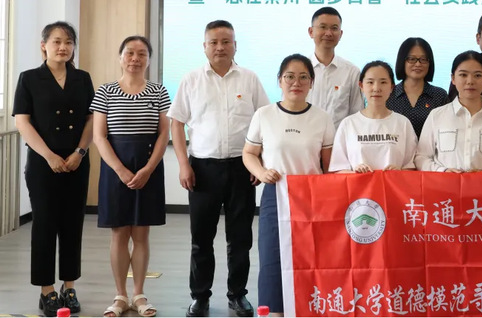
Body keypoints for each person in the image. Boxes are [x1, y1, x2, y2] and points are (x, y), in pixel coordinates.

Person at [168, 20, 270, 318]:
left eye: (226, 42)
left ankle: (238, 295)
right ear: (204, 47)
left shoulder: (249, 79)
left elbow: (263, 121)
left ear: (235, 45)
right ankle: (200, 296)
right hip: (202, 169)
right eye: (214, 42)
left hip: (242, 167)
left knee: (240, 238)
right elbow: (177, 123)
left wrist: (259, 162)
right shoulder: (191, 79)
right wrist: (183, 164)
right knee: (201, 239)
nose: (220, 47)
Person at [242, 54, 335, 317]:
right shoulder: (264, 115)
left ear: (311, 82)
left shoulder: (322, 118)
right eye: (290, 76)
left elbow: (329, 165)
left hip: (312, 198)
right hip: (277, 195)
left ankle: (307, 307)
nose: (297, 82)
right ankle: (274, 311)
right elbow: (248, 153)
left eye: (304, 77)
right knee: (272, 255)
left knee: (310, 256)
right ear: (280, 81)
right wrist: (262, 172)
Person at [12, 22, 94, 317]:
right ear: (43, 45)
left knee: (73, 225)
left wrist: (80, 152)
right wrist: (48, 156)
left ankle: (69, 287)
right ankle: (46, 290)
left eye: (69, 42)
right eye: (57, 41)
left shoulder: (82, 78)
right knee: (44, 225)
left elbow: (91, 119)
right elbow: (22, 121)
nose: (63, 47)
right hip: (42, 163)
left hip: (76, 162)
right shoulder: (29, 78)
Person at [91, 36, 170, 318]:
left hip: (148, 167)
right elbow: (100, 137)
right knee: (119, 233)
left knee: (141, 233)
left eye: (141, 54)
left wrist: (148, 169)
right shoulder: (106, 91)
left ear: (149, 59)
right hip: (116, 169)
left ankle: (138, 294)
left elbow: (164, 133)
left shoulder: (158, 91)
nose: (135, 59)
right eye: (129, 53)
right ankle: (120, 296)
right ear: (120, 57)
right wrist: (120, 170)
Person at [415, 50, 482, 172]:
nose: (470, 81)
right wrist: (443, 171)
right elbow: (421, 158)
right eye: (463, 75)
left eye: (477, 75)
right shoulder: (436, 115)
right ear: (453, 78)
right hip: (444, 183)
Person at [330, 61, 418, 172]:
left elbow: (412, 167)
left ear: (391, 87)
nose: (376, 88)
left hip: (393, 183)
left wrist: (399, 172)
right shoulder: (348, 124)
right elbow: (338, 169)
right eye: (370, 82)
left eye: (383, 82)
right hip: (358, 184)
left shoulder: (403, 123)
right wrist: (354, 172)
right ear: (361, 86)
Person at [307, 6, 362, 129]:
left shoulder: (352, 72)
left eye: (334, 28)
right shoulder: (299, 70)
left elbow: (356, 115)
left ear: (340, 34)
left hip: (339, 140)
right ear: (311, 31)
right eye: (323, 27)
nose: (328, 33)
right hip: (304, 139)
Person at [386, 38, 449, 138]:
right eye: (412, 59)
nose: (418, 64)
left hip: (432, 148)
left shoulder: (440, 95)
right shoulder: (389, 94)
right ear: (402, 61)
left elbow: (446, 130)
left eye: (423, 59)